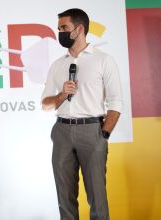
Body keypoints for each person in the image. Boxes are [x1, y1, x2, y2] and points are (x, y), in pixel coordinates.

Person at [41, 8, 123, 220]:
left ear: (79, 29)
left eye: (64, 28)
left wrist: (102, 135)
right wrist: (61, 95)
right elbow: (45, 103)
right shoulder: (58, 65)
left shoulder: (103, 60)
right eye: (59, 28)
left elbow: (116, 103)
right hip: (62, 131)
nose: (60, 32)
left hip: (92, 131)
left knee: (97, 197)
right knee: (65, 197)